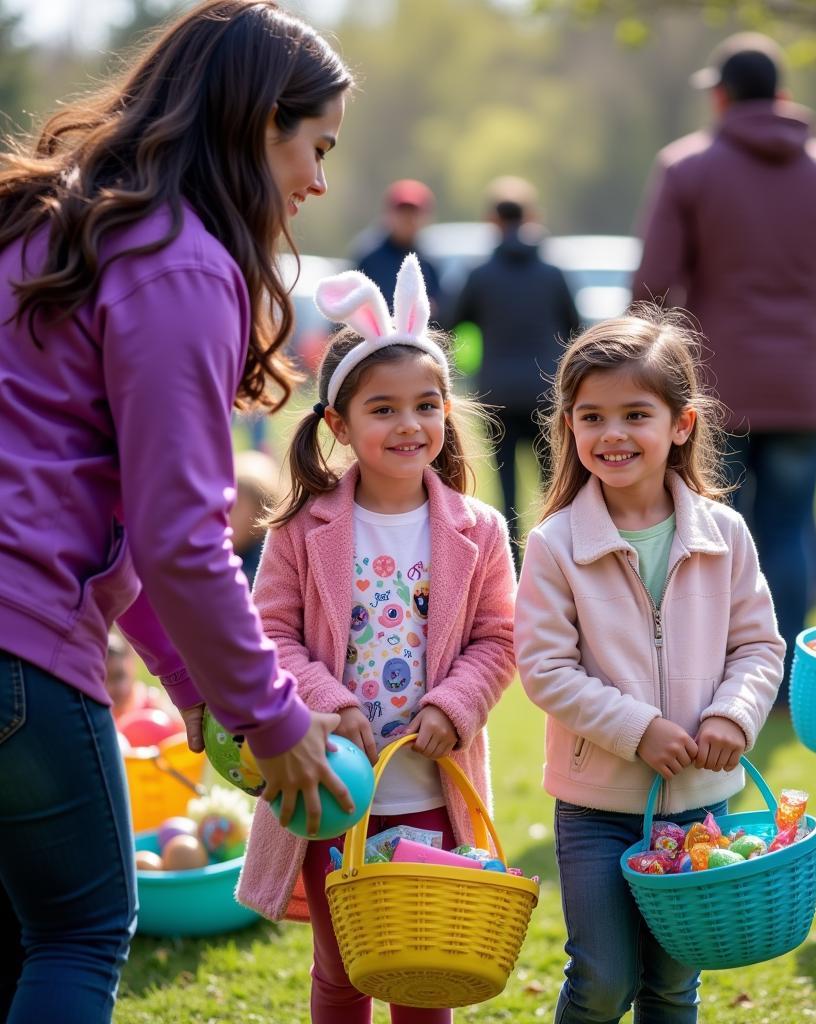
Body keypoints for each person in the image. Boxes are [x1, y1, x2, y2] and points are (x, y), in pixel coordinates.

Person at [0, 3, 354, 1021]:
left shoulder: (44, 219)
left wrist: (196, 686)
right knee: (77, 932)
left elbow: (126, 518)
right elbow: (183, 538)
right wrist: (269, 716)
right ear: (256, 125)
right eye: (315, 146)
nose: (318, 183)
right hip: (21, 642)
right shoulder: (184, 258)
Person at [237, 255, 517, 1024]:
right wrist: (326, 701)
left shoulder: (478, 530)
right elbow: (270, 635)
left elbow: (500, 639)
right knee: (343, 967)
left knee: (425, 971)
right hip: (334, 793)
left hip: (432, 789)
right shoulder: (304, 528)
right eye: (383, 409)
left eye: (427, 405)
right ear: (339, 424)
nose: (409, 425)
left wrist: (454, 705)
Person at [515, 304, 784, 1023]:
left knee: (673, 984)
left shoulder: (724, 533)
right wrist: (639, 729)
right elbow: (545, 668)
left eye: (636, 414)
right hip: (596, 805)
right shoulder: (555, 544)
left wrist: (733, 712)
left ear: (682, 424)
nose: (612, 434)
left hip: (700, 802)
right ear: (569, 426)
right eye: (591, 416)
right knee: (602, 980)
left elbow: (758, 645)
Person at [632, 32, 816, 697]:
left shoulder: (686, 169)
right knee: (791, 532)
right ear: (785, 97)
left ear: (719, 96)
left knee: (707, 535)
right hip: (801, 386)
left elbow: (651, 288)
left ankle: (715, 680)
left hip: (712, 392)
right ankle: (791, 682)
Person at [450, 176, 580, 548]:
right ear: (532, 217)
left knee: (506, 487)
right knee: (551, 483)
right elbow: (576, 329)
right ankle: (556, 555)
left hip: (497, 392)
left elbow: (450, 324)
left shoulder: (479, 274)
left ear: (492, 220)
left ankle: (511, 562)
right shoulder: (553, 272)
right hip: (546, 391)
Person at [354, 178, 442, 312]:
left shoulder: (430, 263)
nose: (407, 219)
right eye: (402, 213)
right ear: (388, 214)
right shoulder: (369, 260)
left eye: (413, 213)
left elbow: (443, 312)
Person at [230, 448, 283, 588]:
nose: (226, 516)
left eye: (235, 507)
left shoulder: (271, 562)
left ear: (260, 512)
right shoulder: (227, 554)